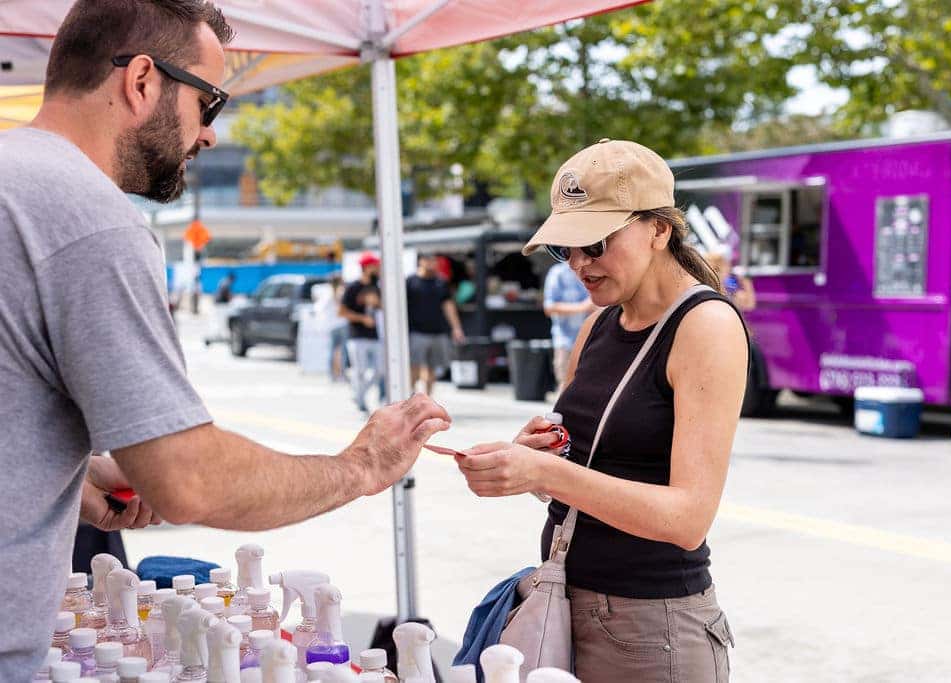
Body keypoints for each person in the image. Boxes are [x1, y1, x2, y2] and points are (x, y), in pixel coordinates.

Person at [0, 2, 450, 677]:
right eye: (208, 102)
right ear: (142, 81)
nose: (208, 134)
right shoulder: (91, 221)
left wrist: (71, 469)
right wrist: (362, 465)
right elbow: (190, 480)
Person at [456, 140, 748, 683]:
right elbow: (589, 468)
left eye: (594, 243)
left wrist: (545, 473)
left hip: (652, 629)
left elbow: (687, 519)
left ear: (658, 229)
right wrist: (536, 457)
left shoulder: (705, 325)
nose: (578, 263)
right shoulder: (598, 325)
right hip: (571, 607)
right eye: (564, 247)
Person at [407, 253, 466, 395]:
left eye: (433, 261)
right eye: (428, 260)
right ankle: (410, 398)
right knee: (414, 367)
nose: (431, 263)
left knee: (432, 368)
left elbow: (448, 306)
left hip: (437, 331)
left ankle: (428, 399)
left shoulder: (441, 282)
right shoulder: (410, 282)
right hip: (416, 331)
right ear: (420, 261)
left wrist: (456, 327)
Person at [339, 252, 385, 412]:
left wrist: (378, 304)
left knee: (380, 370)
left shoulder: (377, 287)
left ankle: (358, 395)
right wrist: (362, 318)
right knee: (360, 371)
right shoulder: (353, 287)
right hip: (357, 335)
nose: (378, 268)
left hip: (376, 336)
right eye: (375, 265)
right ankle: (360, 401)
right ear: (366, 267)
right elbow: (342, 312)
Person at [543, 261, 596, 391]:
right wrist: (582, 307)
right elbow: (549, 308)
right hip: (566, 343)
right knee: (565, 388)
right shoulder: (558, 273)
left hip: (592, 342)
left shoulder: (593, 270)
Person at [707, 244, 756, 312]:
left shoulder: (729, 287)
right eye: (726, 264)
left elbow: (749, 305)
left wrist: (746, 282)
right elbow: (749, 305)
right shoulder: (711, 289)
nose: (729, 268)